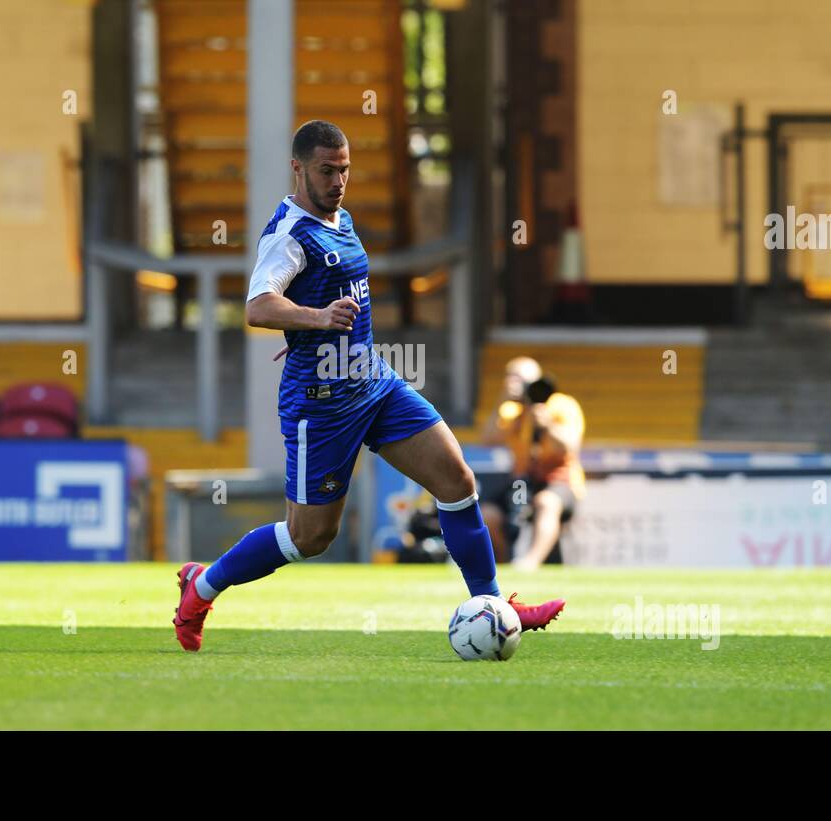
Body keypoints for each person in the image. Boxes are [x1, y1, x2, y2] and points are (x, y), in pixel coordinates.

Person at [171, 121, 565, 651]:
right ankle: (202, 585)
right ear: (298, 169)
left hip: (372, 381)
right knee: (310, 537)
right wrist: (313, 319)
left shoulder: (341, 218)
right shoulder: (288, 234)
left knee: (457, 480)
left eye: (345, 169)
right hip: (321, 402)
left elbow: (324, 296)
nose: (338, 181)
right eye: (326, 171)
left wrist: (312, 327)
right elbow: (258, 306)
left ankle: (496, 605)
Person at [480, 357, 586, 571]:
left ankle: (530, 563)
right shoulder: (511, 410)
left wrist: (547, 424)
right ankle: (501, 567)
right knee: (487, 514)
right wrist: (503, 400)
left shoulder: (562, 405)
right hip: (522, 483)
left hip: (560, 480)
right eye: (511, 378)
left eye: (522, 379)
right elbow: (488, 439)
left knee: (546, 502)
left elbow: (570, 447)